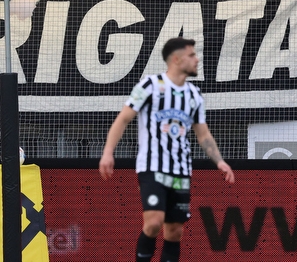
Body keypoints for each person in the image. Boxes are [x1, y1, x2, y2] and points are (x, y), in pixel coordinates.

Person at [99, 37, 234, 262]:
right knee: (153, 223)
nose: (196, 59)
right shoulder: (150, 85)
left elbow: (203, 134)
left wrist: (219, 161)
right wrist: (107, 152)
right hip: (152, 166)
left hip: (181, 170)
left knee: (175, 231)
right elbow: (123, 119)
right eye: (191, 55)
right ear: (176, 59)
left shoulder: (194, 95)